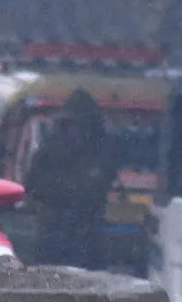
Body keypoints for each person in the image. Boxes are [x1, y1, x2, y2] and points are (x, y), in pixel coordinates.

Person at [23, 88, 116, 269]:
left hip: (87, 236)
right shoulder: (49, 153)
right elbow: (32, 186)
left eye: (83, 126)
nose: (77, 131)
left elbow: (101, 185)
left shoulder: (99, 154)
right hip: (53, 232)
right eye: (72, 125)